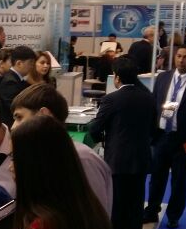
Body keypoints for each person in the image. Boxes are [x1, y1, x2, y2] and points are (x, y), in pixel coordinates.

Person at [89, 58, 156, 229]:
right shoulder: (149, 97)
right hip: (141, 159)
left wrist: (103, 140)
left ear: (117, 77)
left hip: (117, 160)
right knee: (136, 205)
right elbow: (153, 129)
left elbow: (95, 128)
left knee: (116, 204)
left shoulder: (111, 99)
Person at [10, 84, 112, 214]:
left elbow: (94, 218)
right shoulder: (43, 157)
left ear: (44, 115)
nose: (13, 127)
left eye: (19, 117)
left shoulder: (81, 159)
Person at [144, 45, 186, 228]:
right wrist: (150, 133)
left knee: (179, 180)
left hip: (183, 141)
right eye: (179, 56)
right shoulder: (163, 78)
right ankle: (151, 211)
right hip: (161, 137)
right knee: (156, 177)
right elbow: (153, 106)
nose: (181, 60)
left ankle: (174, 215)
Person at [0, 46, 37, 126]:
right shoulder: (10, 82)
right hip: (12, 124)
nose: (32, 66)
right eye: (30, 63)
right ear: (19, 63)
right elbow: (14, 107)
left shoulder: (17, 79)